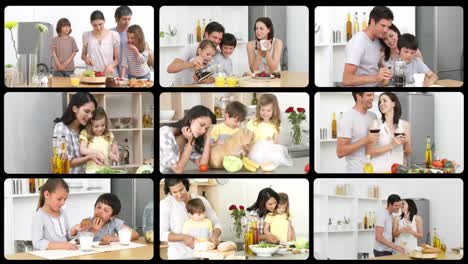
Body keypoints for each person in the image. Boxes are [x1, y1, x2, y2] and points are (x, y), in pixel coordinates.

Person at [160, 179, 222, 259]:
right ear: (169, 191)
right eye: (174, 192)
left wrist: (215, 236)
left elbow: (216, 223)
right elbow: (161, 234)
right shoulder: (165, 205)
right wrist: (183, 237)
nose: (179, 195)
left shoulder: (201, 201)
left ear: (186, 185)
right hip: (179, 256)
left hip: (203, 255)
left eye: (181, 190)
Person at [342, 6, 394, 86]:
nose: (386, 30)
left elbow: (374, 65)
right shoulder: (358, 42)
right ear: (372, 22)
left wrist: (385, 74)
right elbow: (346, 80)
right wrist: (376, 77)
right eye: (383, 26)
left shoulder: (377, 40)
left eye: (388, 27)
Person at [53, 92, 102, 174]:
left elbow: (104, 135)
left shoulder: (86, 129)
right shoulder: (61, 128)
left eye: (92, 113)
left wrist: (113, 144)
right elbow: (64, 162)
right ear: (75, 109)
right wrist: (89, 157)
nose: (90, 116)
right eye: (86, 111)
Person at [159, 105, 216, 174]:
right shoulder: (164, 133)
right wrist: (190, 143)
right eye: (201, 124)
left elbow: (203, 165)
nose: (203, 131)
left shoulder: (191, 137)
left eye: (206, 128)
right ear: (191, 119)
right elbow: (178, 170)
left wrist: (207, 137)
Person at [167, 22, 224, 86]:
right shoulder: (190, 48)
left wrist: (210, 79)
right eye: (215, 37)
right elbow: (170, 68)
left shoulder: (217, 53)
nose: (217, 41)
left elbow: (214, 76)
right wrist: (191, 64)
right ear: (206, 35)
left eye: (220, 39)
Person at [366, 93, 412, 172]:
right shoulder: (375, 124)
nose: (381, 104)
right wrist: (391, 145)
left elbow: (408, 152)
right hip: (379, 170)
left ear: (393, 104)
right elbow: (369, 152)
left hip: (398, 170)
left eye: (384, 101)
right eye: (380, 102)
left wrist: (406, 141)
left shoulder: (405, 125)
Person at [337, 92, 379, 173]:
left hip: (373, 169)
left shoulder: (373, 116)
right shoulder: (347, 117)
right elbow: (340, 152)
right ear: (358, 96)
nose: (372, 98)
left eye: (373, 94)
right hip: (356, 171)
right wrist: (365, 140)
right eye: (369, 95)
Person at [73, 193, 139, 244]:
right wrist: (93, 231)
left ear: (112, 216)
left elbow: (135, 234)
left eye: (106, 210)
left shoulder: (114, 222)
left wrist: (113, 238)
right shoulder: (87, 222)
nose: (100, 211)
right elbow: (78, 242)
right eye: (98, 207)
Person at [32, 179, 77, 250]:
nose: (63, 203)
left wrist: (73, 230)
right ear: (47, 195)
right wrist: (62, 246)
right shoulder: (39, 216)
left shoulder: (63, 213)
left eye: (65, 199)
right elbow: (37, 243)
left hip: (65, 255)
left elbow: (67, 237)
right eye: (59, 199)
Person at [79, 107, 119, 173]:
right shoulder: (86, 134)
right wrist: (97, 152)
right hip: (91, 171)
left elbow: (108, 152)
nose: (100, 129)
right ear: (90, 125)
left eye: (103, 125)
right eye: (96, 126)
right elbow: (82, 150)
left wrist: (113, 156)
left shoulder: (108, 135)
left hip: (105, 170)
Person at [81, 10, 120, 76]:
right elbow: (83, 55)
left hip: (109, 73)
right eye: (95, 25)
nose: (98, 28)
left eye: (100, 24)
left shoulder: (113, 35)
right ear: (91, 23)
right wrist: (86, 58)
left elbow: (117, 59)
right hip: (92, 74)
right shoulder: (86, 35)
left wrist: (111, 66)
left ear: (104, 20)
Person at [111, 5, 132, 78]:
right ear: (117, 19)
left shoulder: (133, 33)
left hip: (131, 75)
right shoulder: (109, 33)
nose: (127, 22)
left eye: (129, 19)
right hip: (114, 73)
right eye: (124, 19)